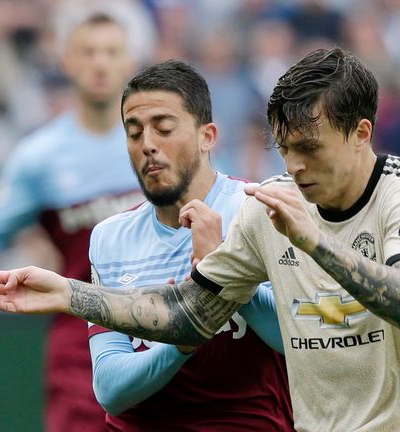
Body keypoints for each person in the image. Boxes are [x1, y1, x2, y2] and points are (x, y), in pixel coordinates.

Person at [0, 47, 400, 431]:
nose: (294, 165)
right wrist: (69, 293)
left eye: (309, 148)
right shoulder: (268, 208)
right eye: (284, 149)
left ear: (361, 133)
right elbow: (187, 313)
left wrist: (316, 242)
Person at [0, 13, 144, 431]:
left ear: (129, 63)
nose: (100, 63)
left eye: (111, 52)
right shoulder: (41, 158)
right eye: (88, 52)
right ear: (66, 62)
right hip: (81, 348)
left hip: (157, 337)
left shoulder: (158, 141)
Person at [86, 59, 292, 430]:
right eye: (134, 133)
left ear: (207, 136)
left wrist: (224, 272)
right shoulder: (109, 239)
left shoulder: (258, 210)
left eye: (163, 128)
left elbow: (299, 341)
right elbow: (110, 388)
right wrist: (183, 335)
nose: (148, 144)